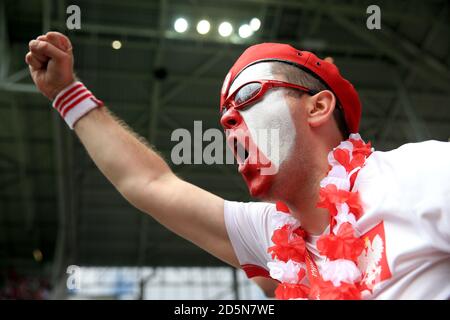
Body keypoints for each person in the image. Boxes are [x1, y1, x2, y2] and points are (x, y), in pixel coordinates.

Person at [25, 32, 450, 300]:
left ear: (318, 106)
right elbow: (149, 182)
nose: (229, 123)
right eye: (224, 116)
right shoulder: (270, 234)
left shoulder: (420, 172)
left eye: (248, 97)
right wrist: (67, 94)